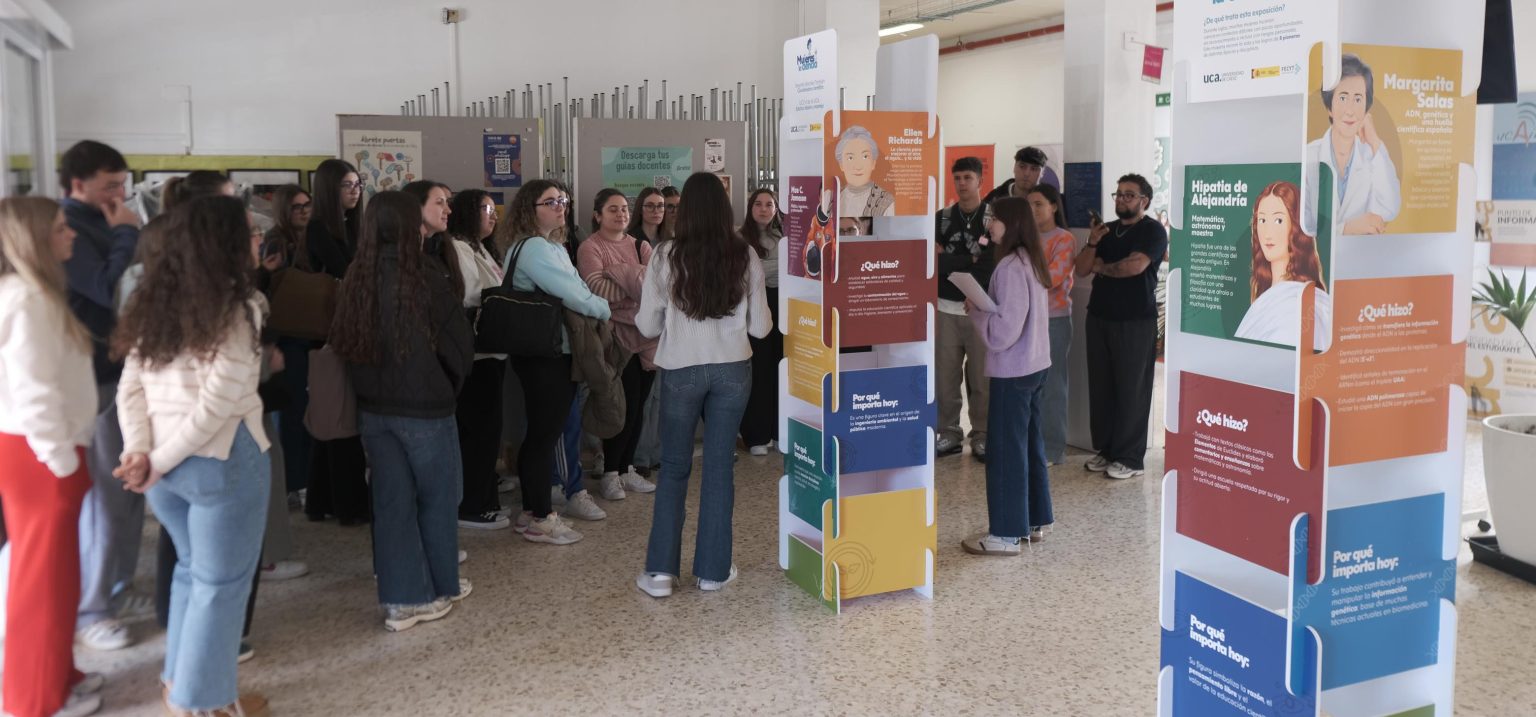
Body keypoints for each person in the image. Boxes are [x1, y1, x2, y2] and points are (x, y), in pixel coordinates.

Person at [111, 194, 271, 716]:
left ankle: (179, 683)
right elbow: (219, 404)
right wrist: (152, 459)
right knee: (221, 585)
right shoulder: (238, 308)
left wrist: (142, 453)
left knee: (192, 572)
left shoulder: (155, 303)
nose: (257, 239)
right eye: (248, 232)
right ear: (223, 244)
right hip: (221, 462)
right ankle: (204, 703)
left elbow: (131, 389)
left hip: (166, 469)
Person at [330, 190, 473, 630]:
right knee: (438, 499)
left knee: (392, 503)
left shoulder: (357, 275)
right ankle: (441, 587)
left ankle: (402, 601)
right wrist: (446, 385)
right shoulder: (423, 274)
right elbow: (458, 343)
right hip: (426, 409)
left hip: (374, 410)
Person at [635, 172, 770, 598]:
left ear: (685, 211)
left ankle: (660, 573)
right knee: (718, 467)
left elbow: (646, 324)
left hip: (681, 369)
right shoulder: (745, 254)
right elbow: (761, 328)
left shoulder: (664, 255)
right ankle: (713, 571)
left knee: (674, 467)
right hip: (733, 369)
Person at [0, 197, 105, 717]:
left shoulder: (31, 292)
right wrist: (61, 462)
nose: (72, 235)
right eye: (61, 228)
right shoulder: (28, 298)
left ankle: (59, 675)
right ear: (36, 238)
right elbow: (34, 393)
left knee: (59, 576)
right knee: (41, 582)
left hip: (43, 450)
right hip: (42, 455)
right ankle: (34, 701)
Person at [59, 140, 149, 653]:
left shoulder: (104, 221)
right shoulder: (70, 228)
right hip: (92, 378)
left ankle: (117, 587)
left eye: (122, 184)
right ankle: (92, 609)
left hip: (120, 372)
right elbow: (107, 287)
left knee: (130, 489)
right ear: (77, 184)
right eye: (109, 184)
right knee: (105, 499)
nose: (119, 193)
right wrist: (126, 234)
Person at [499, 180, 611, 544]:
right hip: (546, 355)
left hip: (544, 353)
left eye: (562, 200)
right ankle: (540, 518)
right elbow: (573, 293)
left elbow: (575, 285)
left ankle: (532, 512)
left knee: (542, 434)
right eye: (550, 202)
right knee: (544, 436)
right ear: (529, 209)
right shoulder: (534, 247)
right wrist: (604, 308)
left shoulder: (545, 245)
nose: (560, 206)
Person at [961, 197, 1054, 556]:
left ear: (1011, 223)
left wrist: (977, 312)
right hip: (1035, 365)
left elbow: (1003, 333)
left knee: (1004, 452)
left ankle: (1005, 534)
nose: (989, 225)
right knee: (1028, 444)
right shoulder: (1031, 260)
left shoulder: (1011, 267)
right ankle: (1033, 521)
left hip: (1014, 370)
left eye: (994, 219)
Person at [1074, 174, 1168, 480]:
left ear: (1144, 201)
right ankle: (1108, 450)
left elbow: (1134, 266)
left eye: (1129, 195)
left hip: (1135, 321)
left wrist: (1102, 267)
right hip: (1099, 317)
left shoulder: (1152, 230)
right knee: (1102, 387)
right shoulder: (1106, 231)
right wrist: (1092, 242)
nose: (1122, 199)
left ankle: (1130, 458)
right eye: (1119, 194)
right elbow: (1081, 269)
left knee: (1132, 390)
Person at [441, 188, 515, 529]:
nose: (492, 216)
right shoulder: (458, 247)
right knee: (479, 431)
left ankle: (486, 498)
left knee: (489, 430)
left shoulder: (481, 247)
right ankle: (472, 504)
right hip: (477, 354)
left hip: (493, 350)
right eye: (485, 209)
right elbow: (470, 294)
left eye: (493, 209)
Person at [577, 188, 658, 500]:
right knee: (619, 407)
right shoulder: (590, 247)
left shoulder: (640, 245)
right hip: (614, 338)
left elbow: (655, 289)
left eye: (624, 208)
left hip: (647, 337)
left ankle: (626, 469)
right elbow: (596, 289)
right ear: (597, 215)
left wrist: (621, 276)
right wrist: (635, 282)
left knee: (639, 407)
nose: (621, 214)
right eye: (613, 209)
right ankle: (610, 472)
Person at [303, 159, 370, 526]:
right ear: (330, 189)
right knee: (339, 420)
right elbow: (348, 272)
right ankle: (348, 504)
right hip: (329, 335)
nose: (355, 191)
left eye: (358, 184)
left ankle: (321, 501)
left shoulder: (352, 225)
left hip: (346, 331)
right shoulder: (319, 229)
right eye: (347, 185)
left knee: (335, 418)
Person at [934, 156, 995, 461]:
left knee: (981, 378)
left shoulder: (993, 220)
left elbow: (991, 262)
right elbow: (934, 261)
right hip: (945, 308)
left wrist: (951, 259)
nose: (962, 183)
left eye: (967, 178)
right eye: (957, 178)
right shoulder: (941, 218)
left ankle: (982, 434)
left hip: (981, 310)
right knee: (945, 377)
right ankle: (949, 432)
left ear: (980, 181)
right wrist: (968, 259)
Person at [1304, 53, 1400, 236]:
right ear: (1329, 107)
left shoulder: (1371, 156)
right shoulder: (1308, 156)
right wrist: (1347, 229)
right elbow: (1302, 231)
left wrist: (1374, 141)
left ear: (1366, 107)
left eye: (1357, 99)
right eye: (1342, 98)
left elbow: (1390, 208)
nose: (1350, 110)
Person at [1234, 181, 1333, 349]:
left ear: (1297, 226)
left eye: (1278, 220)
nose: (1267, 232)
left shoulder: (1293, 309)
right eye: (1262, 220)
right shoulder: (1266, 300)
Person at [1028, 184, 1077, 465]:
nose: (1032, 209)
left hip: (1054, 320)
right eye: (1029, 204)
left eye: (1038, 204)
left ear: (1054, 207)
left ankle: (1051, 448)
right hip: (1026, 320)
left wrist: (1022, 277)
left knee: (1053, 386)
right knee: (1029, 385)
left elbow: (1051, 278)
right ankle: (1032, 444)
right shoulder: (1024, 237)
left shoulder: (1064, 239)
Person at [738, 188, 784, 455]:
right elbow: (744, 275)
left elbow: (793, 268)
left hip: (782, 306)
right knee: (758, 372)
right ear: (750, 207)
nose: (764, 209)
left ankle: (778, 431)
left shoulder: (785, 237)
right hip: (752, 307)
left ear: (776, 208)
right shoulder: (739, 238)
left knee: (781, 369)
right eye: (758, 204)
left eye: (769, 204)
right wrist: (776, 269)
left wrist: (764, 270)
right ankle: (757, 436)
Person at [831, 126, 895, 218]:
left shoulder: (887, 202)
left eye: (865, 156)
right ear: (841, 165)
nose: (858, 166)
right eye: (850, 158)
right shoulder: (831, 198)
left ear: (873, 163)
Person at [260, 184, 311, 273]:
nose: (305, 211)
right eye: (297, 207)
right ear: (284, 210)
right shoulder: (275, 241)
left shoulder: (313, 234)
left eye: (308, 205)